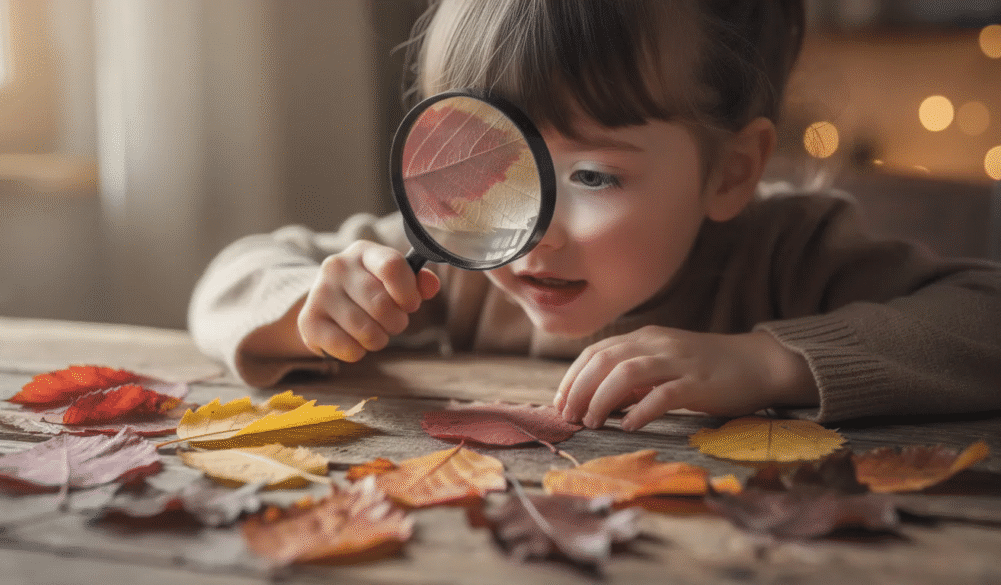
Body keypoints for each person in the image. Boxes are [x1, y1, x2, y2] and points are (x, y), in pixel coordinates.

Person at [188, 0, 1001, 430]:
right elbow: (230, 278)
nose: (531, 227)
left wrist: (769, 361)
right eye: (489, 160)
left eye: (590, 173)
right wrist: (307, 312)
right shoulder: (459, 253)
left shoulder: (790, 252)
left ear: (732, 170)